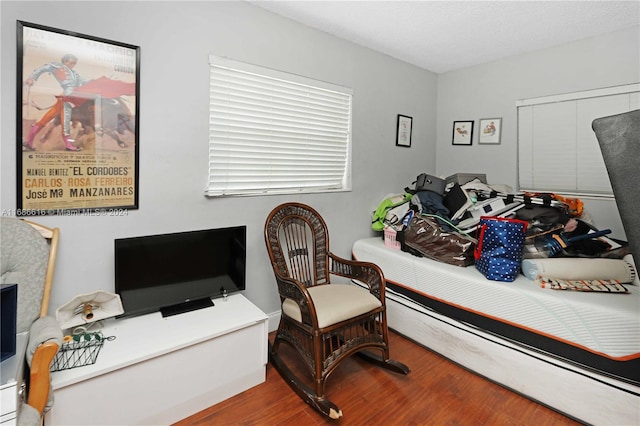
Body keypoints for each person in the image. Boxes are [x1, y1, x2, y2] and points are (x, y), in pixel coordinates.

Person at [24, 53, 87, 151]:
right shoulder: (57, 66)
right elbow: (42, 68)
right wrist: (32, 78)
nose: (73, 65)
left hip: (66, 99)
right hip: (65, 100)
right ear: (65, 61)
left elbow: (83, 82)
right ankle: (68, 146)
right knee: (60, 123)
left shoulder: (74, 74)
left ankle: (28, 142)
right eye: (72, 63)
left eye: (74, 63)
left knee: (46, 120)